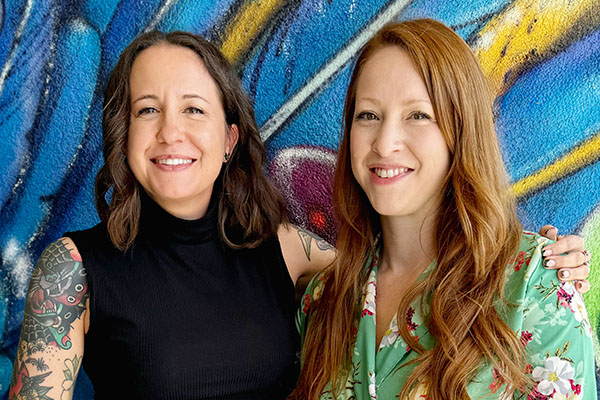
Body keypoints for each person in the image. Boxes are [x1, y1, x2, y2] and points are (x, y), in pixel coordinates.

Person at [8, 29, 588, 400]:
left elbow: (443, 268)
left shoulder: (290, 256)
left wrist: (541, 266)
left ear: (231, 137)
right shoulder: (329, 299)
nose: (170, 132)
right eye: (147, 109)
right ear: (123, 133)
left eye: (193, 108)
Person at [293, 19, 595, 400]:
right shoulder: (324, 301)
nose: (385, 144)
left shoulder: (532, 284)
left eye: (418, 115)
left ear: (461, 131)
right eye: (368, 115)